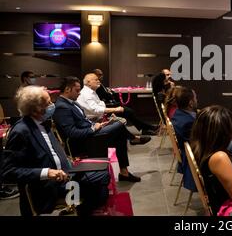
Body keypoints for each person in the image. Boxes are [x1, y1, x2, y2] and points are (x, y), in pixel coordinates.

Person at [2, 86, 110, 215]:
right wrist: (47, 172)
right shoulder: (21, 131)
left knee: (104, 172)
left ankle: (76, 207)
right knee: (99, 186)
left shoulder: (42, 122)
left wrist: (68, 162)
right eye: (48, 103)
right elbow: (9, 171)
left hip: (67, 175)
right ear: (36, 109)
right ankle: (78, 206)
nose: (52, 105)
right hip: (49, 187)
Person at [53, 76, 149, 183]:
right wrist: (93, 129)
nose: (79, 93)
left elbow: (83, 121)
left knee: (119, 135)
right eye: (77, 90)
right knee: (119, 124)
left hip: (91, 135)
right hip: (83, 142)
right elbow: (71, 133)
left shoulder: (71, 102)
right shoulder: (61, 107)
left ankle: (124, 172)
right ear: (67, 89)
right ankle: (133, 139)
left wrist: (98, 125)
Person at [81, 72, 157, 135]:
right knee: (126, 113)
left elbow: (100, 103)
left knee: (127, 113)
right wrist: (115, 109)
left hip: (101, 113)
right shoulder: (88, 93)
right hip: (95, 120)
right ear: (89, 82)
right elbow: (96, 109)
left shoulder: (92, 91)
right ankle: (140, 133)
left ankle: (140, 132)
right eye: (96, 79)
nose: (99, 80)